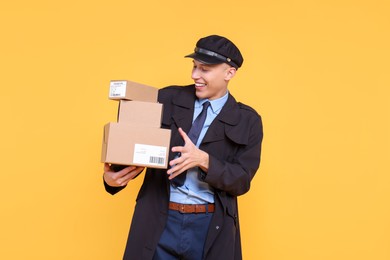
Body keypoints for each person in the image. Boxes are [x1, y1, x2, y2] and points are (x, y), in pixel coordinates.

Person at [103, 35, 263, 260]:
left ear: (229, 73)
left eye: (204, 70)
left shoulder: (248, 120)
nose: (195, 75)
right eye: (194, 67)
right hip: (159, 220)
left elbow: (242, 180)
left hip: (208, 227)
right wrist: (111, 179)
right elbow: (132, 143)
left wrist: (204, 160)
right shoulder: (165, 98)